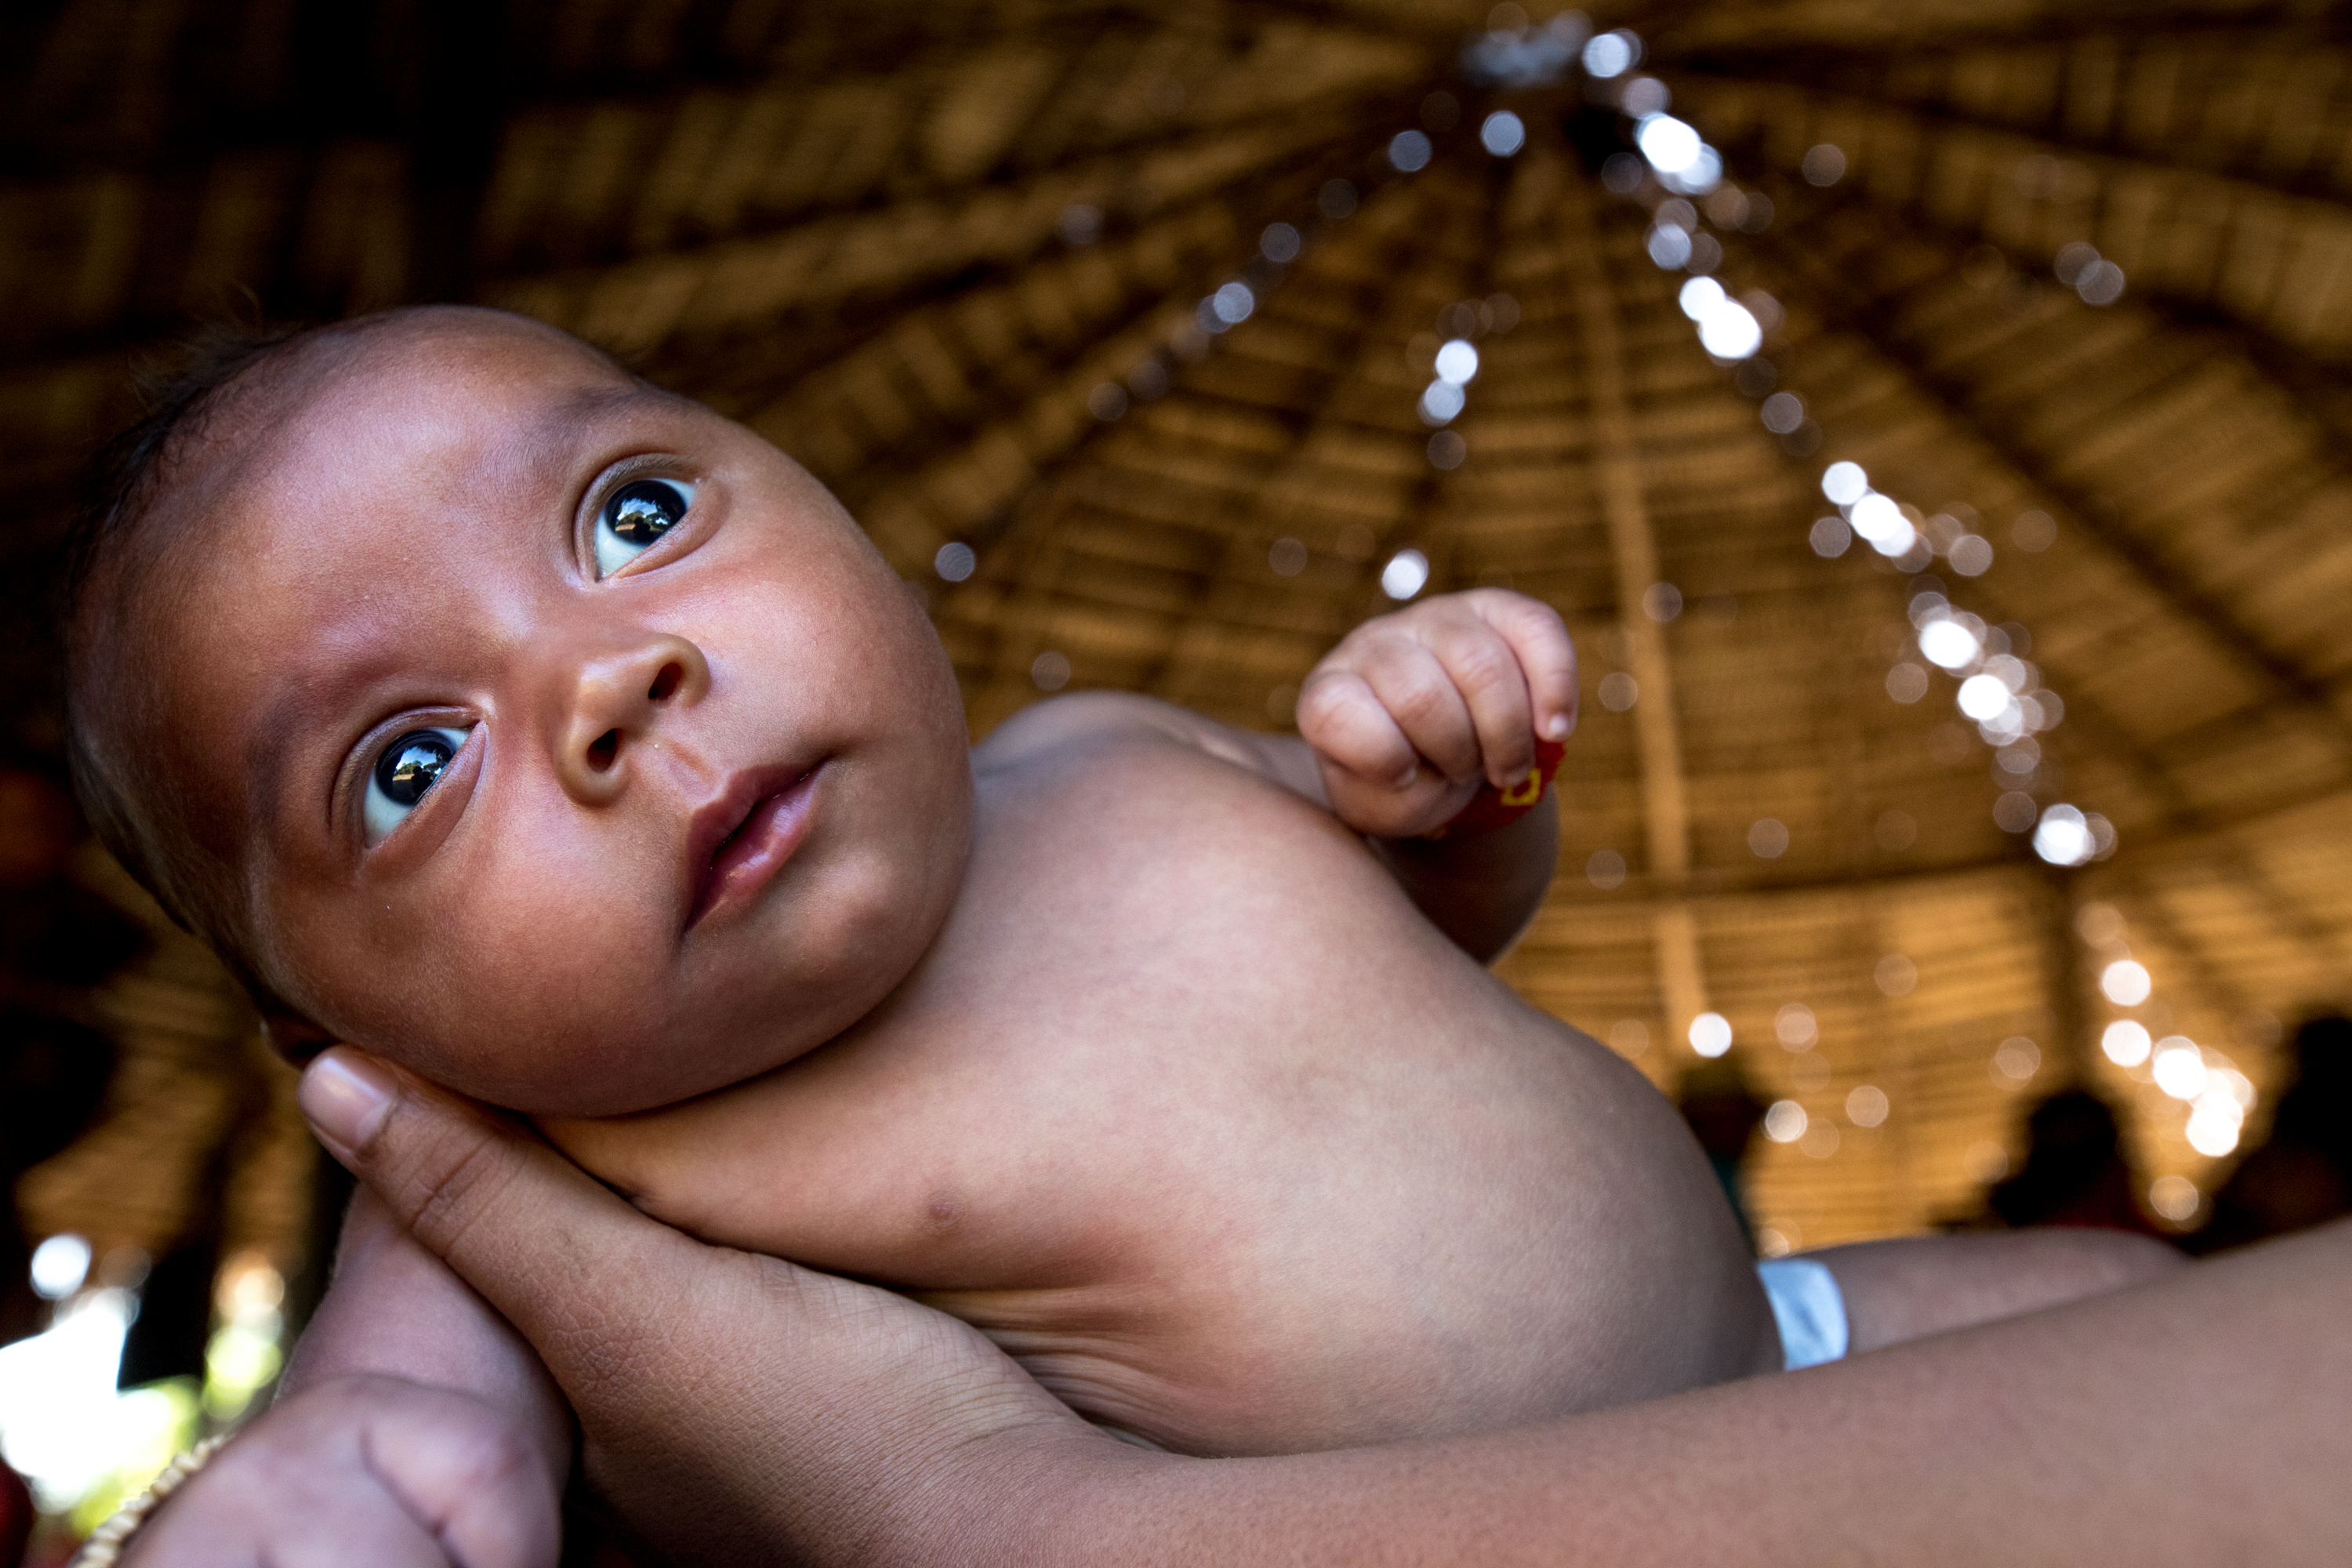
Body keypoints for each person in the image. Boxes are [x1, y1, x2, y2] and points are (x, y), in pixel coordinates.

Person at [62, 307, 2176, 1560]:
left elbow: (1430, 940)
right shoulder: (515, 1172)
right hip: (1542, 1527)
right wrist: (330, 1477)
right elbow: (401, 1431)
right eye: (408, 766)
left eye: (633, 519)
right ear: (338, 1028)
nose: (605, 687)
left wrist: (1451, 791)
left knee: (2153, 1308)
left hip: (1802, 1341)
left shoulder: (1104, 746)